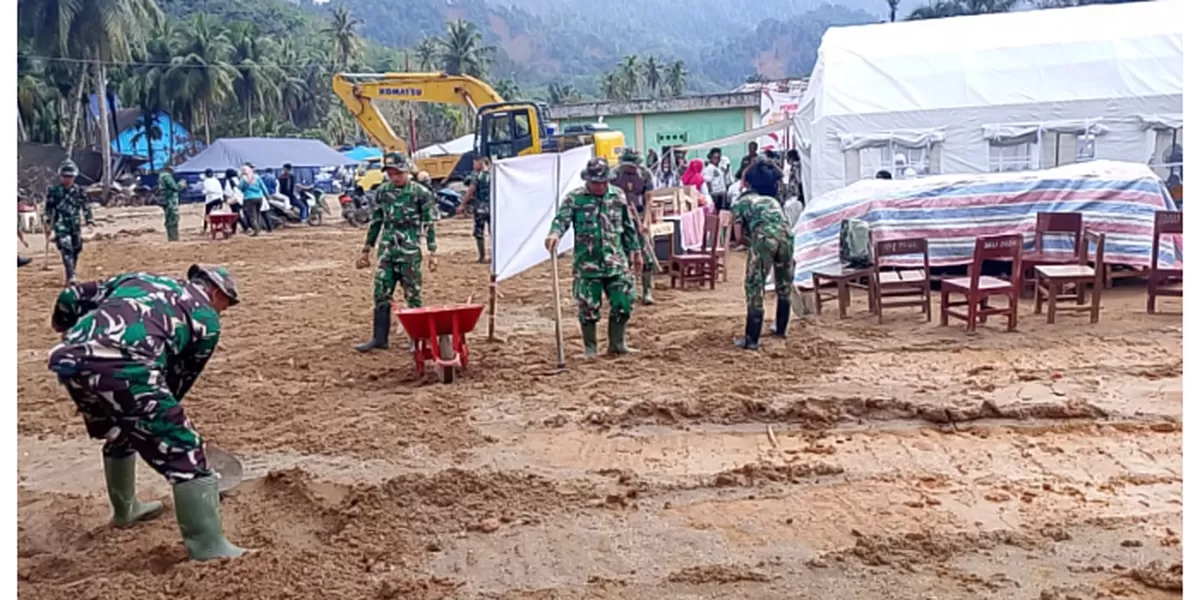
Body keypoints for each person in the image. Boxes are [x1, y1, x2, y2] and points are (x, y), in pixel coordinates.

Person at [47, 265, 246, 561]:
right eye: (224, 307)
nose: (221, 313)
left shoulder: (138, 279)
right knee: (183, 447)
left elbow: (70, 297)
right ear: (216, 293)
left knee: (123, 429)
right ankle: (210, 549)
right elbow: (177, 380)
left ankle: (126, 510)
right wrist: (169, 424)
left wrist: (69, 331)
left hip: (71, 359)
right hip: (124, 366)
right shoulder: (206, 320)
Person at [544, 157, 644, 359]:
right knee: (588, 307)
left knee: (623, 303)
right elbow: (561, 220)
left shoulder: (618, 197)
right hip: (587, 264)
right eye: (595, 182)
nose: (599, 186)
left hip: (616, 262)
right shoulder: (575, 199)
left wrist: (636, 251)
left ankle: (617, 344)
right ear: (587, 180)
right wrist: (554, 234)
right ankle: (590, 348)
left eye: (602, 182)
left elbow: (628, 227)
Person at [354, 155, 439, 353]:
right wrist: (367, 249)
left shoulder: (420, 193)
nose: (394, 177)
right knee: (381, 293)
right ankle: (379, 338)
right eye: (391, 173)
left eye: (398, 173)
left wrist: (433, 252)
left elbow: (429, 224)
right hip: (387, 251)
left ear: (407, 171)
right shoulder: (383, 192)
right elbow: (376, 221)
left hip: (409, 251)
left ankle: (416, 339)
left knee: (413, 294)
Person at [732, 159, 795, 350]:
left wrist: (755, 247)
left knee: (754, 284)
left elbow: (738, 236)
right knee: (784, 284)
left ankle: (751, 339)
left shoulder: (742, 202)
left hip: (763, 237)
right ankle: (781, 328)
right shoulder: (773, 201)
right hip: (787, 235)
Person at [611, 149, 658, 305]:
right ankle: (627, 290)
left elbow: (649, 199)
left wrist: (645, 222)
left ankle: (647, 290)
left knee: (646, 255)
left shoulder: (645, 174)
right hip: (619, 218)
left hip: (640, 214)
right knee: (623, 256)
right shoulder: (614, 175)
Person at [44, 160, 95, 284]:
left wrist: (89, 221)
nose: (68, 179)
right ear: (61, 176)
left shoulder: (79, 191)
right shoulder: (54, 191)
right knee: (66, 248)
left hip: (75, 224)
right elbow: (49, 209)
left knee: (76, 248)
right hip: (61, 224)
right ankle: (72, 276)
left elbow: (86, 207)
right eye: (65, 176)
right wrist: (47, 223)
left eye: (70, 177)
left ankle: (70, 274)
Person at [460, 156, 492, 264]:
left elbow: (471, 190)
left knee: (479, 232)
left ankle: (482, 257)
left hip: (480, 208)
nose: (473, 166)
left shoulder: (477, 175)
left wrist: (462, 204)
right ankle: (494, 256)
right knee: (493, 232)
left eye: (475, 163)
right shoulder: (494, 173)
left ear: (480, 163)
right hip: (493, 208)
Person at [238, 166, 270, 236]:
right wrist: (267, 195)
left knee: (252, 216)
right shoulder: (257, 177)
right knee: (258, 214)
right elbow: (263, 187)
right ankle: (259, 228)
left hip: (249, 198)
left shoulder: (243, 179)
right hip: (259, 197)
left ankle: (256, 230)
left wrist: (245, 190)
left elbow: (240, 188)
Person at [157, 165, 181, 242]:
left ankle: (171, 237)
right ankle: (174, 238)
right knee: (173, 219)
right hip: (170, 200)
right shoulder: (166, 176)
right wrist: (181, 185)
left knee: (169, 218)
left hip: (167, 200)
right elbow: (175, 187)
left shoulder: (161, 176)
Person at [201, 168, 224, 234]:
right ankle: (219, 226)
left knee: (207, 214)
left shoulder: (206, 181)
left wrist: (203, 192)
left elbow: (207, 190)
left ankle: (205, 228)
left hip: (211, 200)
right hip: (219, 199)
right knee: (218, 213)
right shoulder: (216, 180)